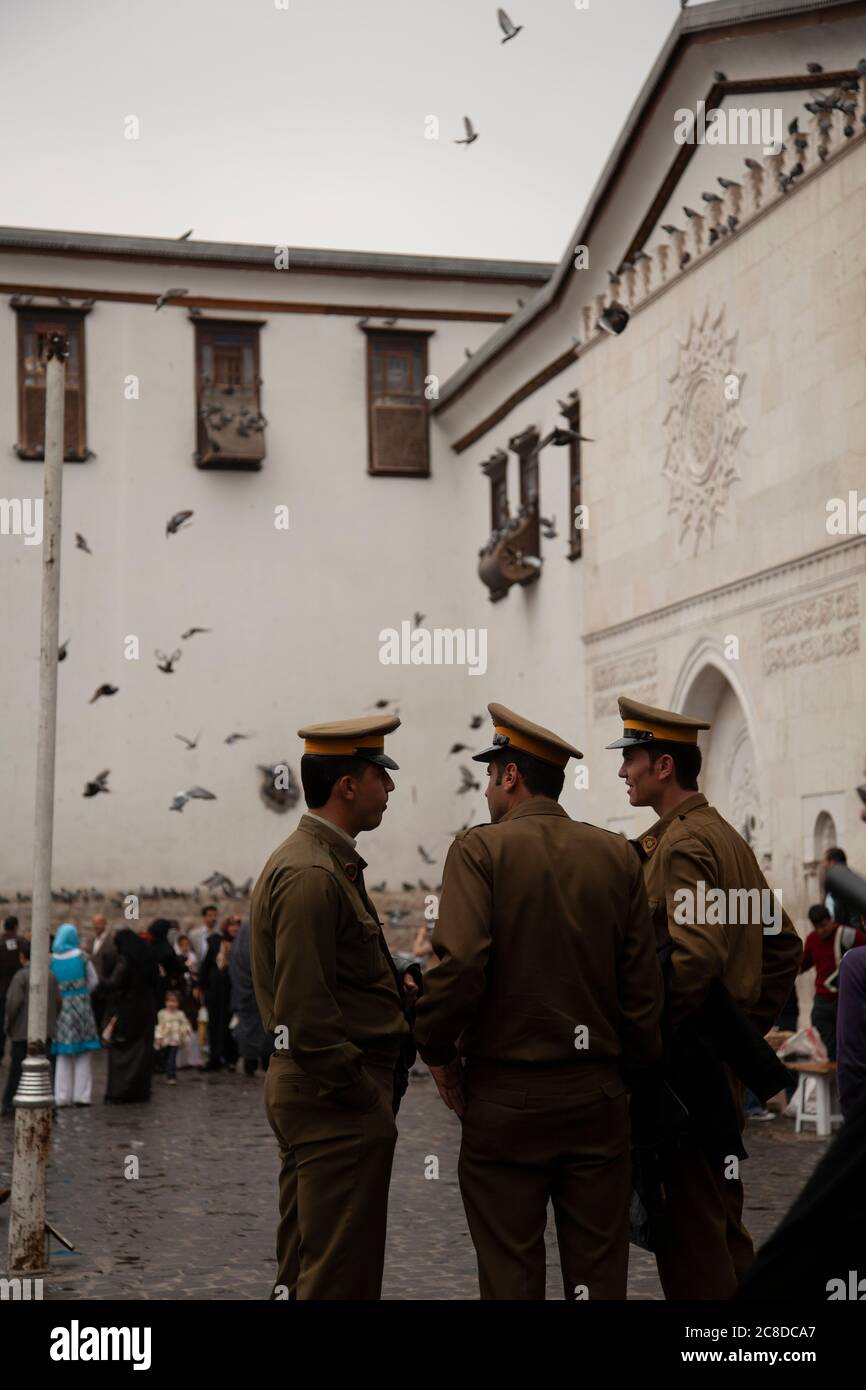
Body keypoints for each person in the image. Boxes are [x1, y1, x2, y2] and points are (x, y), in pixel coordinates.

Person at [414, 703, 662, 1301]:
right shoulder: (617, 855)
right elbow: (643, 990)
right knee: (598, 1278)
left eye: (489, 773)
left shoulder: (479, 851)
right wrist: (629, 1078)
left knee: (509, 1272)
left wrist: (437, 1048)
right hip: (598, 1097)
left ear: (509, 776)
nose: (486, 788)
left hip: (506, 1099)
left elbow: (461, 966)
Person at [606, 696, 802, 1300]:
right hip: (713, 1067)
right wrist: (740, 1030)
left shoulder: (682, 847)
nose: (622, 773)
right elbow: (783, 946)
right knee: (723, 1229)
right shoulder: (726, 839)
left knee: (692, 1244)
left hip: (683, 1075)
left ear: (663, 766)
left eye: (631, 759)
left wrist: (650, 1039)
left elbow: (695, 957)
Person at [251, 714, 412, 1300]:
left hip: (325, 1097)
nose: (389, 788)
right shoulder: (312, 873)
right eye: (380, 776)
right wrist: (361, 1095)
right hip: (333, 1099)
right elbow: (305, 1015)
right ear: (347, 785)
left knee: (307, 1270)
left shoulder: (321, 861)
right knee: (337, 1275)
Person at [1, 942, 62, 1117]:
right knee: (45, 1069)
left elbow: (13, 1004)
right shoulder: (50, 975)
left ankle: (10, 1105)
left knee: (17, 1071)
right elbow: (59, 1002)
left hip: (22, 1033)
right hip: (46, 1032)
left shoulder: (21, 977)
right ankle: (48, 1103)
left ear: (23, 957)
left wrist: (9, 1027)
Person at [799, 903, 866, 1061]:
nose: (821, 931)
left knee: (850, 1047)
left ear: (830, 920)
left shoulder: (849, 935)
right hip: (822, 1003)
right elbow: (802, 965)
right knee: (830, 1052)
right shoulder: (812, 939)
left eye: (824, 925)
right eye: (817, 927)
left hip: (843, 1000)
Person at [104, 928, 160, 1103]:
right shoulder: (147, 958)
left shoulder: (125, 960)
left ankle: (121, 1090)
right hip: (146, 1009)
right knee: (143, 1052)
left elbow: (114, 982)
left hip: (128, 1011)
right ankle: (139, 1090)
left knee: (122, 1050)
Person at [50, 923, 101, 1106]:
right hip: (81, 1005)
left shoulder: (52, 959)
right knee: (83, 1052)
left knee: (63, 1053)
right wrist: (82, 992)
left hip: (61, 1006)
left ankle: (62, 1095)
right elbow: (94, 980)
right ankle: (82, 1095)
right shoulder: (82, 957)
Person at [229, 918, 273, 1076]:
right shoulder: (257, 944)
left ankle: (251, 1064)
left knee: (249, 1030)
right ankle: (265, 1063)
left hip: (244, 995)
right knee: (268, 1029)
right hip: (262, 995)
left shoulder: (238, 946)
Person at [200, 916, 238, 1070]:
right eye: (232, 925)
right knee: (215, 1024)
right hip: (215, 990)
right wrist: (200, 985)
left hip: (232, 990)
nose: (235, 928)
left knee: (230, 1025)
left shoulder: (241, 943)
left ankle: (230, 1058)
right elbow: (206, 964)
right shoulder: (216, 942)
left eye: (237, 925)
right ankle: (215, 1057)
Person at [154, 989, 193, 1085]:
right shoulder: (162, 1013)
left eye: (174, 1001)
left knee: (172, 1057)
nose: (171, 1004)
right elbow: (159, 1026)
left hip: (175, 1039)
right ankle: (167, 1071)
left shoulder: (180, 1014)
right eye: (169, 1001)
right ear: (165, 1002)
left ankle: (171, 1076)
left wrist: (186, 1030)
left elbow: (185, 1024)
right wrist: (158, 1037)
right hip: (165, 1039)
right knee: (166, 1056)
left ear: (178, 1003)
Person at [88, 912, 117, 1033]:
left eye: (98, 923)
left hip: (105, 983)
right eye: (94, 924)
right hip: (92, 984)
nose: (96, 926)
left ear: (105, 924)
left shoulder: (111, 942)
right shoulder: (91, 941)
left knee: (104, 1011)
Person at [0, 916, 22, 1065]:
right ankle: (17, 1053)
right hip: (18, 990)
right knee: (18, 1022)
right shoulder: (22, 943)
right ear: (15, 926)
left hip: (1, 991)